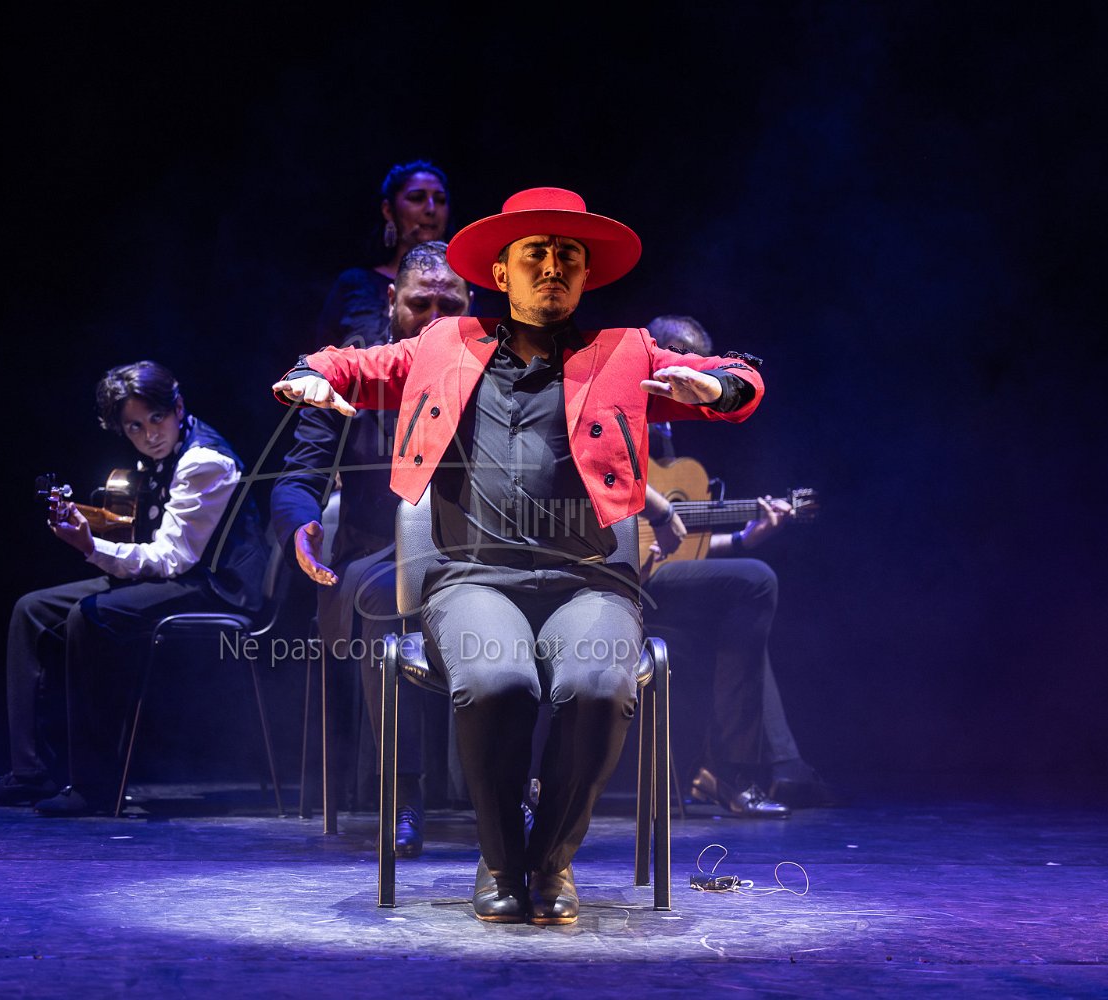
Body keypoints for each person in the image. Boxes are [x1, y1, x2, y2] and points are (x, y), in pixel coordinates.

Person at [273, 187, 766, 925]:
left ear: (586, 275)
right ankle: (503, 860)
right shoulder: (444, 346)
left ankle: (550, 860)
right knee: (496, 681)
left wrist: (717, 385)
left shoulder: (623, 353)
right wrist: (316, 373)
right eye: (535, 254)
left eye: (568, 256)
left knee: (598, 688)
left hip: (589, 580)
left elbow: (744, 379)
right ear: (501, 273)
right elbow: (355, 364)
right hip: (473, 577)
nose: (553, 268)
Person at [0, 361, 268, 817]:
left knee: (91, 615)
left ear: (178, 407)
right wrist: (90, 525)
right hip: (178, 576)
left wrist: (91, 546)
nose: (150, 435)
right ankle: (30, 772)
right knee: (32, 610)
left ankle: (95, 785)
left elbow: (172, 558)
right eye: (134, 427)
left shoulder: (204, 461)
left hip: (216, 586)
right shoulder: (161, 455)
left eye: (157, 419)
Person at [272, 241, 472, 858]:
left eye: (449, 304)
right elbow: (298, 476)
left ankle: (522, 793)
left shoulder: (491, 369)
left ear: (472, 304)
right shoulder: (356, 372)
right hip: (377, 555)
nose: (434, 318)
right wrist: (301, 524)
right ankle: (403, 796)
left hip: (472, 555)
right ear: (391, 301)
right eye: (420, 303)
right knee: (391, 596)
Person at [641, 315, 841, 816]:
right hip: (614, 572)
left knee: (744, 614)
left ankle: (740, 772)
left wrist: (744, 537)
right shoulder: (623, 404)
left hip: (655, 573)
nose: (687, 363)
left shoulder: (672, 434)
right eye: (677, 350)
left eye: (696, 356)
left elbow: (678, 541)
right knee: (753, 586)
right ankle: (747, 771)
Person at [311, 161, 452, 351]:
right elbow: (323, 352)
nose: (431, 209)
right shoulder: (357, 283)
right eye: (417, 198)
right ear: (388, 210)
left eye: (441, 200)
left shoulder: (462, 287)